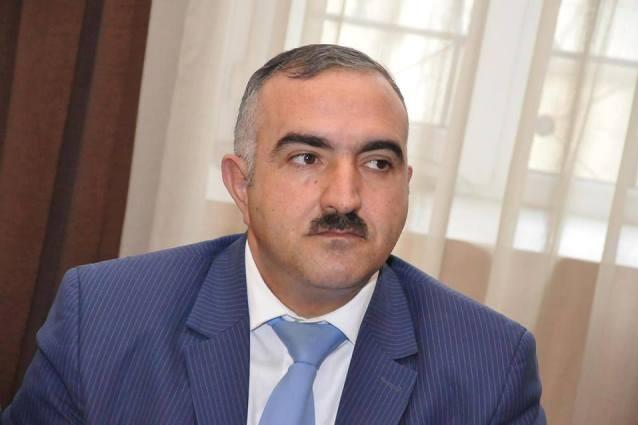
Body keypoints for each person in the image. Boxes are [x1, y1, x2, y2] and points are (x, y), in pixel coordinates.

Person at [3, 44, 545, 424]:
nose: (344, 199)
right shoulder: (104, 316)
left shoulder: (490, 366)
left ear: (405, 187)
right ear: (241, 185)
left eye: (377, 163)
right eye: (307, 158)